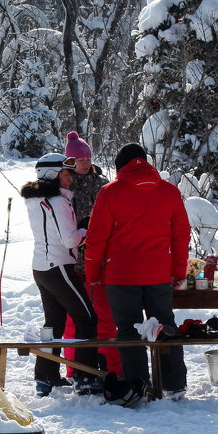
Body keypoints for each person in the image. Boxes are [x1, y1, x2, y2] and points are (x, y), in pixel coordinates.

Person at [84, 143, 191, 404]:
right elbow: (181, 235)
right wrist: (178, 271)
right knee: (165, 326)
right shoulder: (169, 191)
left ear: (121, 166)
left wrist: (93, 272)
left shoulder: (110, 192)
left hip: (121, 276)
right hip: (158, 273)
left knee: (129, 331)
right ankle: (174, 386)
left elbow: (96, 238)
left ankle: (138, 386)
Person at [21, 153, 99, 397]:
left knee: (54, 323)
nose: (70, 178)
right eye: (65, 174)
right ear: (53, 175)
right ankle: (85, 376)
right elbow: (69, 239)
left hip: (42, 267)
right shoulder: (58, 200)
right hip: (60, 266)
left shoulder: (36, 199)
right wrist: (87, 228)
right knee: (87, 319)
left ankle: (46, 377)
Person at [62, 131, 120, 376]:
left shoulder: (101, 182)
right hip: (73, 258)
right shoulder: (64, 184)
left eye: (87, 159)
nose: (85, 163)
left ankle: (111, 367)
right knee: (75, 317)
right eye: (80, 160)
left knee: (105, 315)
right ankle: (75, 369)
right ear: (70, 161)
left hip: (100, 256)